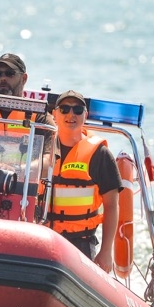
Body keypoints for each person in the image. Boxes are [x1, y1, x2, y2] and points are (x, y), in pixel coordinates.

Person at [47, 90, 121, 272]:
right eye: (64, 109)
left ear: (85, 115)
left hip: (80, 242)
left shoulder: (100, 155)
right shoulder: (42, 147)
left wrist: (105, 251)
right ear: (55, 114)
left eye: (77, 110)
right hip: (44, 238)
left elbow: (111, 205)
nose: (70, 114)